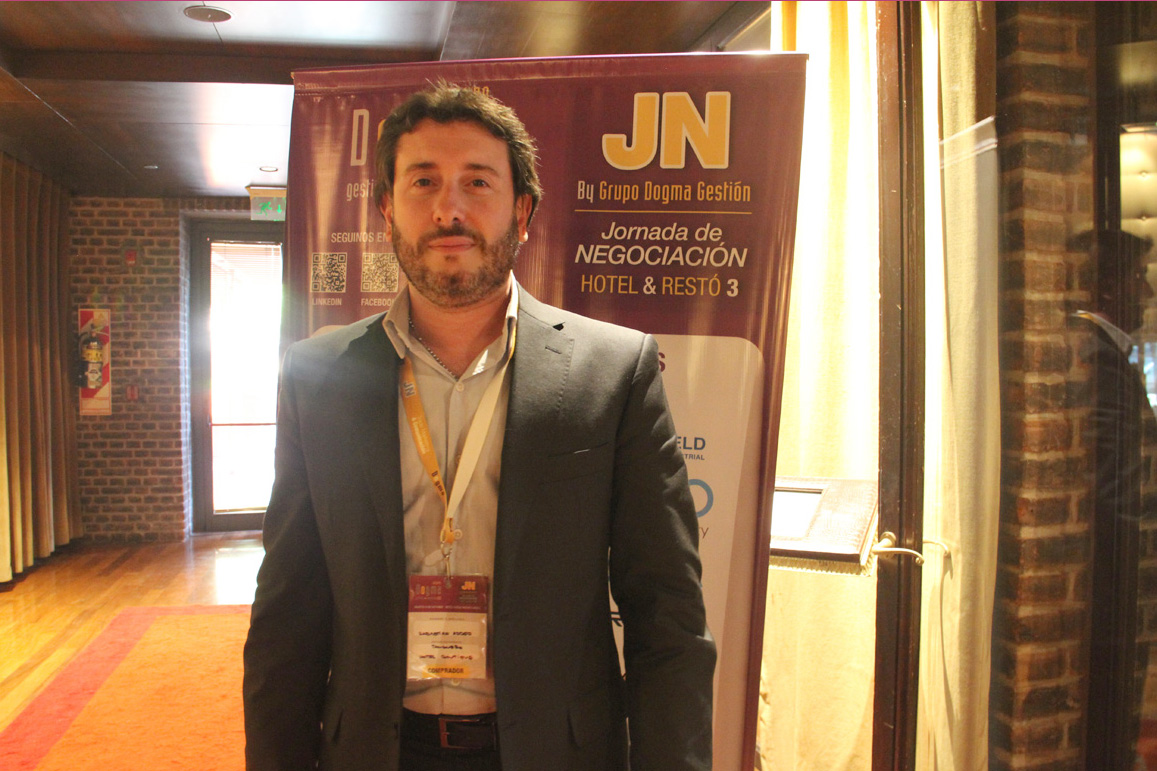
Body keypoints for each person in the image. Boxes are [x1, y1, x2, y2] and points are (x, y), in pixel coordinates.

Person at [243, 82, 716, 771]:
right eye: (423, 181)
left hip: (557, 754)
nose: (449, 209)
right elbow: (288, 611)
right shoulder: (316, 378)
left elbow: (666, 613)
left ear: (521, 212)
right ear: (386, 209)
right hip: (375, 749)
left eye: (477, 182)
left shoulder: (614, 372)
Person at [1069, 229, 1156, 769]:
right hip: (1115, 581)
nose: (1147, 293)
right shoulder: (1101, 360)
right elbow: (1113, 488)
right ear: (1106, 286)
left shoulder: (1108, 356)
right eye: (1137, 277)